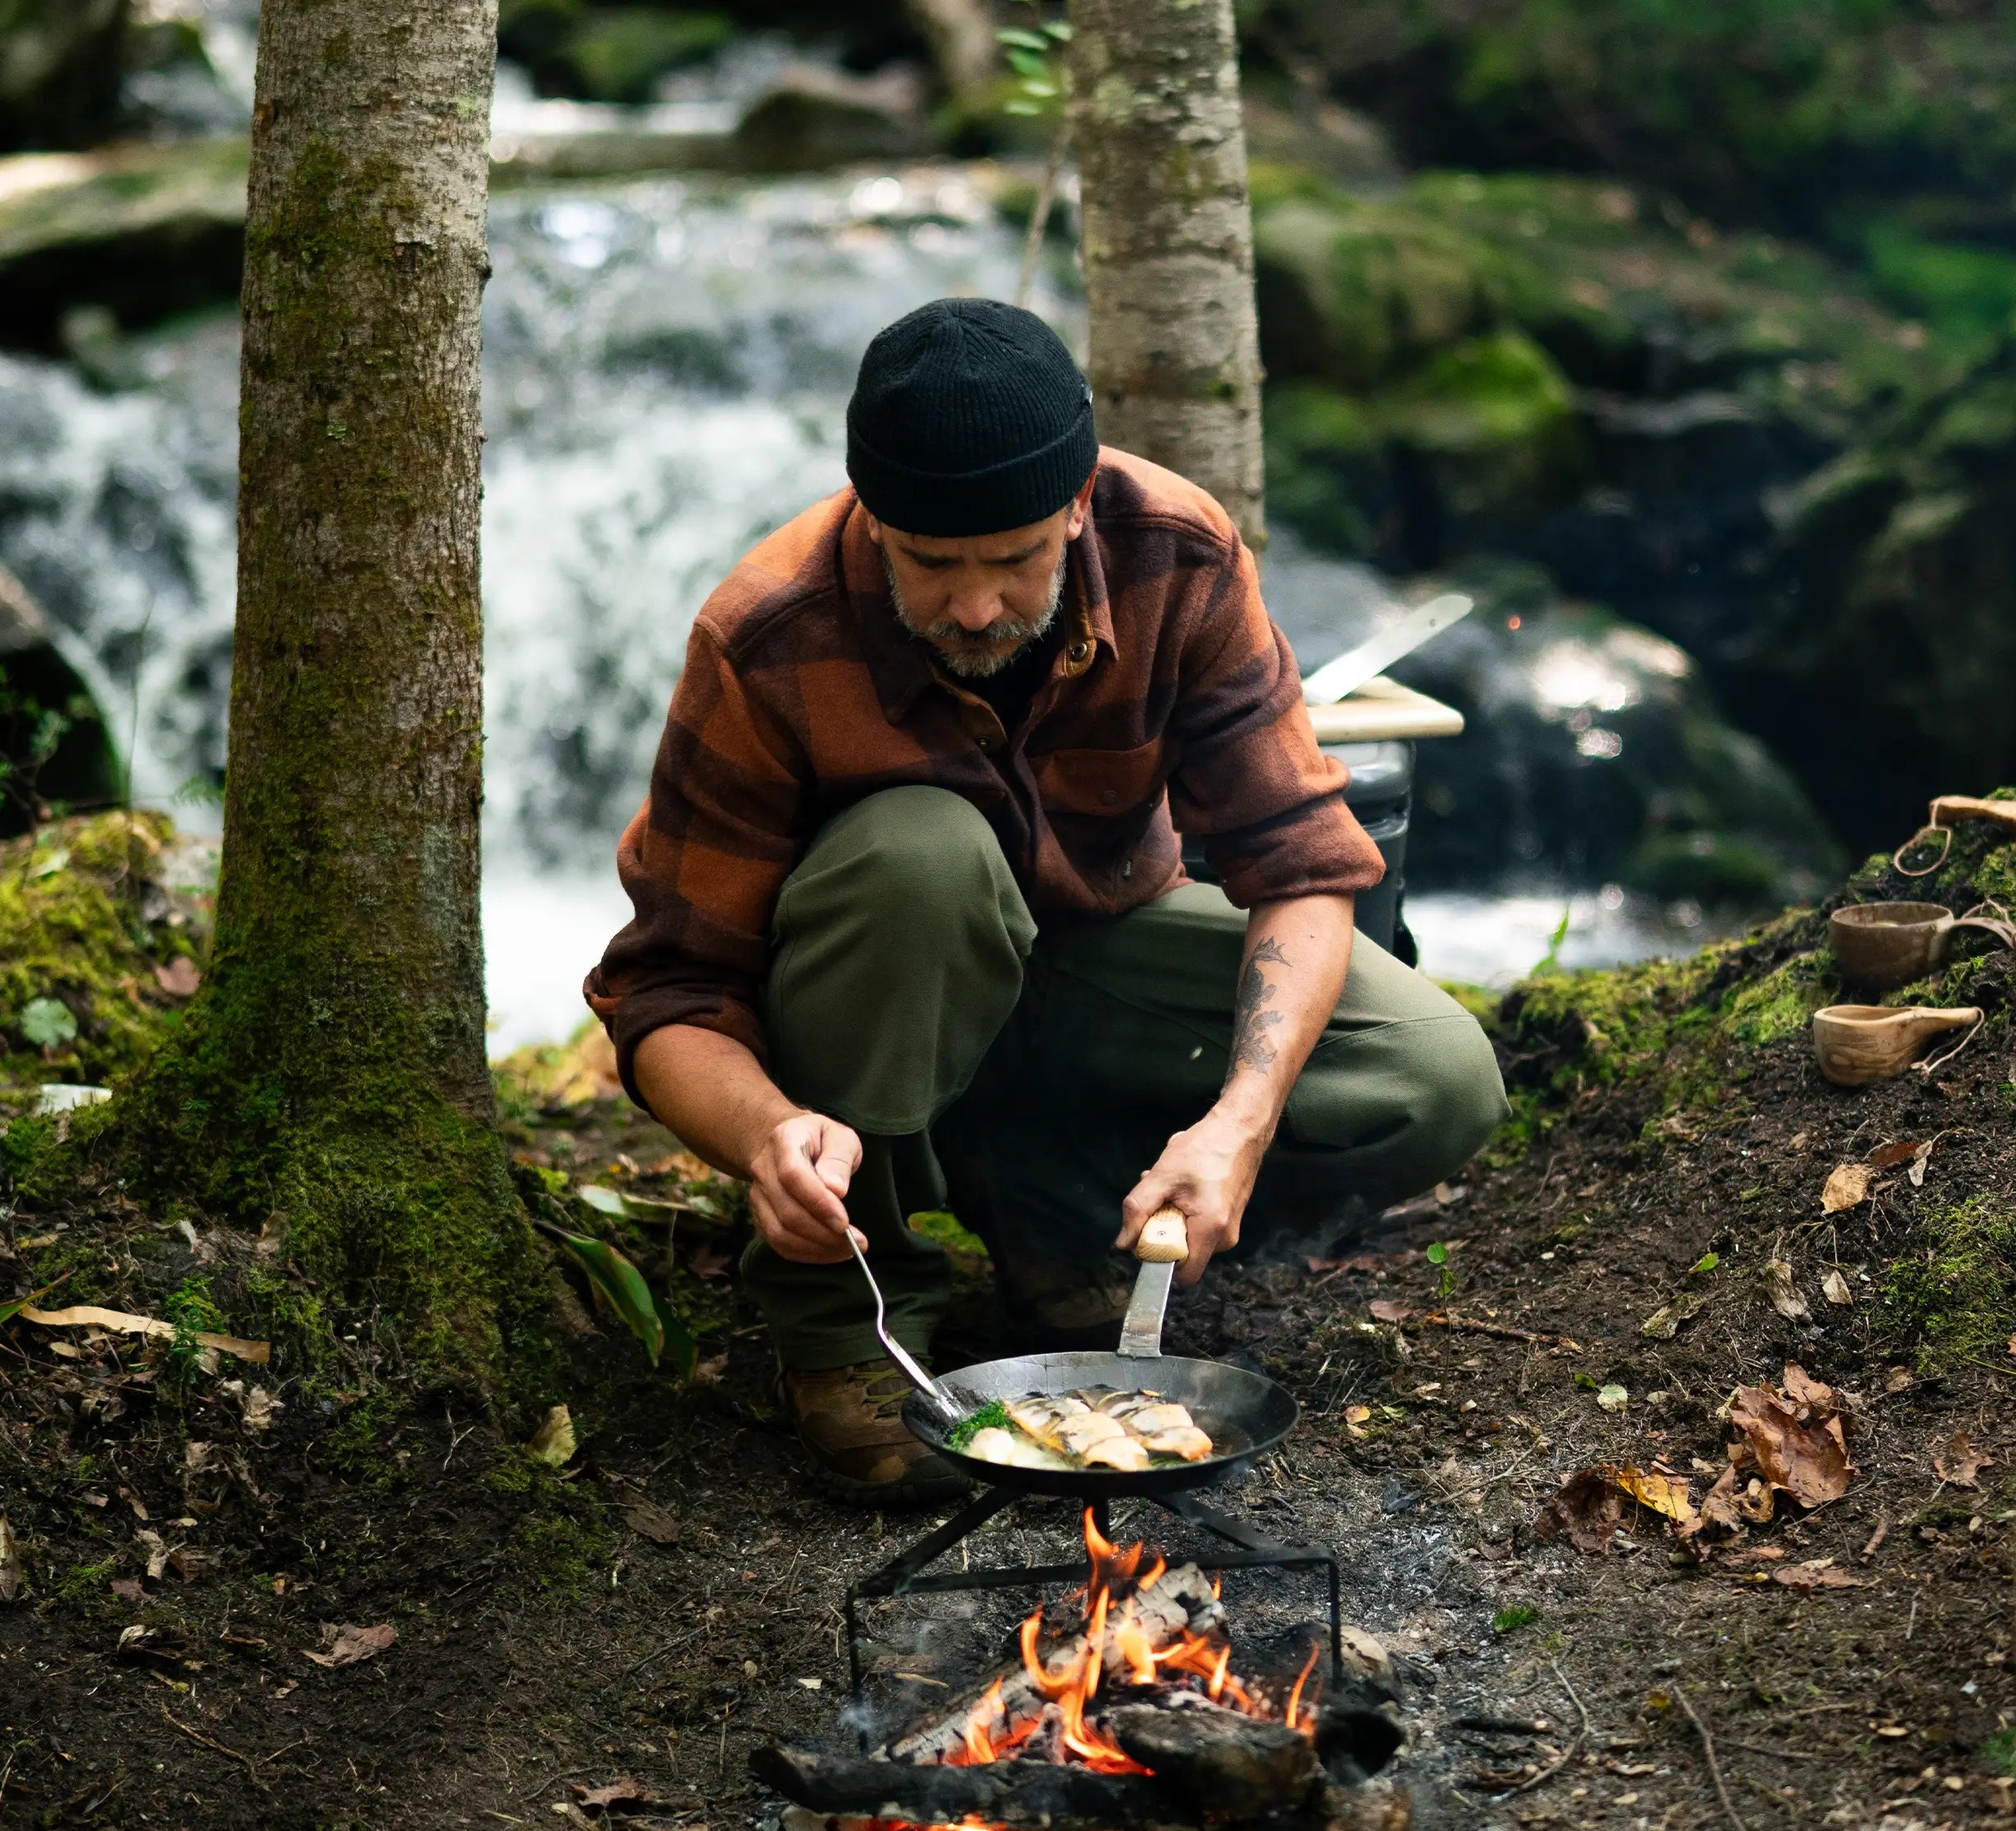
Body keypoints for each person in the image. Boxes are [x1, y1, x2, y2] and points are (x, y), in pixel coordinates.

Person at [587, 299, 1506, 1504]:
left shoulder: (1177, 551)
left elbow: (1302, 867)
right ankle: (845, 1325)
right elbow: (669, 995)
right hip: (875, 1006)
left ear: (1078, 506)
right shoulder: (768, 632)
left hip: (1095, 958)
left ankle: (1059, 1202)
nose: (975, 608)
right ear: (873, 518)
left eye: (1015, 560)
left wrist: (1237, 1120)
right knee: (922, 855)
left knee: (1435, 1078)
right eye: (931, 565)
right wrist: (766, 1137)